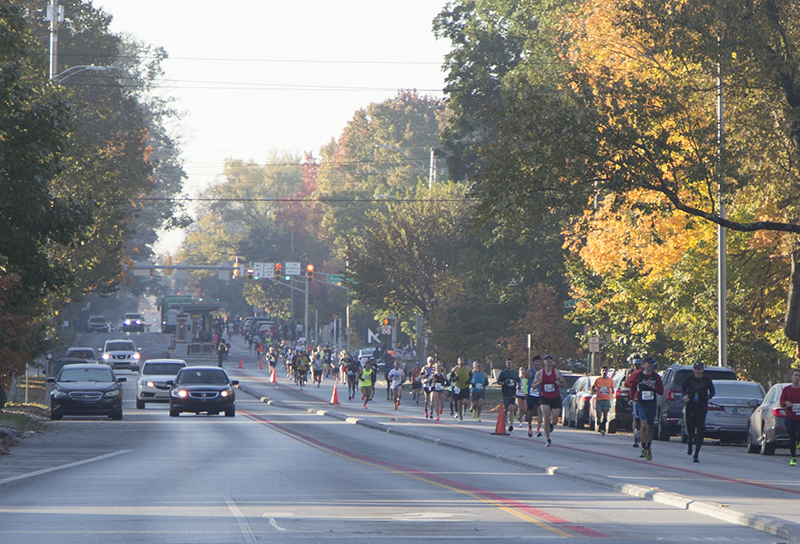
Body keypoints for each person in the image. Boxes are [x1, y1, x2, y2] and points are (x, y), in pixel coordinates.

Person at [624, 356, 663, 460]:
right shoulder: (638, 375)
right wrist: (632, 398)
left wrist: (653, 387)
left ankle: (648, 447)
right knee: (643, 425)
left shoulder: (656, 377)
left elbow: (661, 391)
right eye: (648, 363)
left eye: (651, 364)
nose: (649, 365)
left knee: (650, 427)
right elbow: (629, 385)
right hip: (641, 403)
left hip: (652, 404)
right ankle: (643, 447)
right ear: (644, 364)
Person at [531, 355, 568, 446]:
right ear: (544, 362)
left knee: (555, 419)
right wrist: (539, 383)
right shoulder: (540, 373)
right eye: (546, 360)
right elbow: (533, 386)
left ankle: (552, 425)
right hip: (544, 397)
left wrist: (560, 383)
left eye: (550, 360)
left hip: (555, 397)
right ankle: (548, 439)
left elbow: (564, 384)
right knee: (545, 416)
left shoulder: (557, 373)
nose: (548, 362)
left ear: (552, 362)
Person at [682, 361, 715, 463]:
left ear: (703, 370)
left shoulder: (706, 380)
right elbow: (683, 389)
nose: (697, 371)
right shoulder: (689, 379)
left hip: (701, 407)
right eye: (695, 369)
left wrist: (709, 396)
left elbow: (712, 390)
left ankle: (696, 454)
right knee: (690, 429)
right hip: (691, 406)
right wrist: (685, 396)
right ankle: (690, 443)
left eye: (699, 369)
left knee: (700, 429)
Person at [780, 368, 800, 467]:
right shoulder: (787, 389)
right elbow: (781, 402)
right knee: (792, 437)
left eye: (799, 376)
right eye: (795, 375)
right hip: (790, 416)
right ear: (791, 377)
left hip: (799, 417)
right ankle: (793, 457)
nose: (797, 378)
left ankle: (798, 441)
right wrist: (786, 403)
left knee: (799, 435)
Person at [496, 358, 521, 433]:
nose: (509, 364)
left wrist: (519, 386)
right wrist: (504, 383)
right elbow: (498, 382)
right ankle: (505, 419)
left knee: (511, 407)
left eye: (510, 362)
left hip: (512, 393)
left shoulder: (515, 373)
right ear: (506, 364)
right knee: (506, 408)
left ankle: (511, 424)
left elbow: (518, 381)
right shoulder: (503, 373)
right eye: (508, 363)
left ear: (512, 364)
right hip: (505, 392)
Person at [592, 366, 615, 435]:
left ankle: (603, 428)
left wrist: (612, 390)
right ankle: (598, 419)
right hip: (599, 399)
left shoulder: (610, 380)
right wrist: (594, 392)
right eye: (603, 371)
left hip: (606, 399)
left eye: (606, 370)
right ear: (601, 372)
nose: (604, 372)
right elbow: (593, 387)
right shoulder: (598, 380)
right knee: (599, 413)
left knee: (605, 415)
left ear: (607, 372)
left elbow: (612, 388)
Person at [526, 356, 543, 437]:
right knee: (530, 412)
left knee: (540, 410)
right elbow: (524, 383)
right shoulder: (529, 372)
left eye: (539, 362)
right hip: (531, 394)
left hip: (540, 394)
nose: (538, 363)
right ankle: (529, 426)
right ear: (533, 363)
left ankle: (538, 429)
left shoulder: (542, 372)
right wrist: (526, 393)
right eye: (536, 362)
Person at [628, 355, 643, 447]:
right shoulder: (630, 371)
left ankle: (640, 435)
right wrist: (630, 398)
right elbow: (629, 384)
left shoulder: (643, 371)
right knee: (635, 418)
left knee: (641, 419)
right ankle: (636, 436)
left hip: (642, 397)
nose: (636, 365)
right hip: (634, 396)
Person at [451, 357, 472, 422]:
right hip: (458, 387)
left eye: (462, 361)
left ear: (464, 361)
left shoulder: (467, 368)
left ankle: (465, 409)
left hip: (465, 387)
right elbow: (451, 377)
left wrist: (469, 380)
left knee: (465, 402)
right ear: (458, 362)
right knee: (459, 403)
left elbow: (471, 375)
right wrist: (454, 378)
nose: (461, 362)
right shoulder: (455, 369)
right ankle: (460, 417)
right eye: (460, 361)